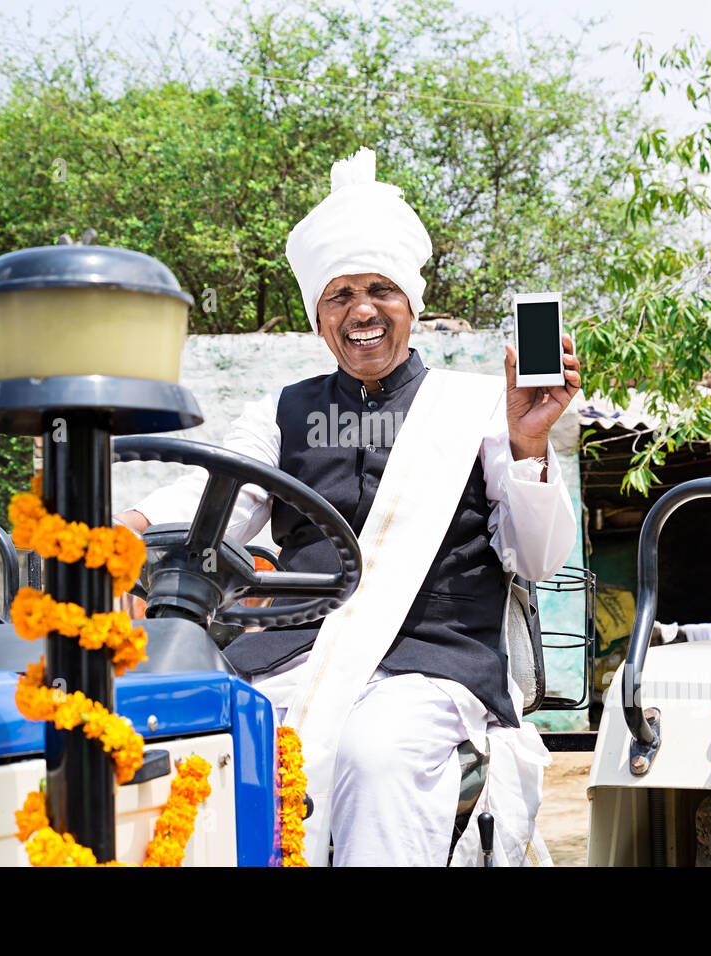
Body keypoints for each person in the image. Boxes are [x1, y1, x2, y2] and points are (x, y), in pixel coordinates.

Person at [115, 147, 579, 866]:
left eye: (380, 290)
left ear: (410, 307)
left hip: (432, 663)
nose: (362, 309)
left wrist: (526, 444)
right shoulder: (281, 409)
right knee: (195, 733)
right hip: (293, 650)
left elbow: (537, 558)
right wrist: (129, 528)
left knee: (377, 751)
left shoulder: (480, 405)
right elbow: (218, 499)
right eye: (341, 294)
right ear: (320, 317)